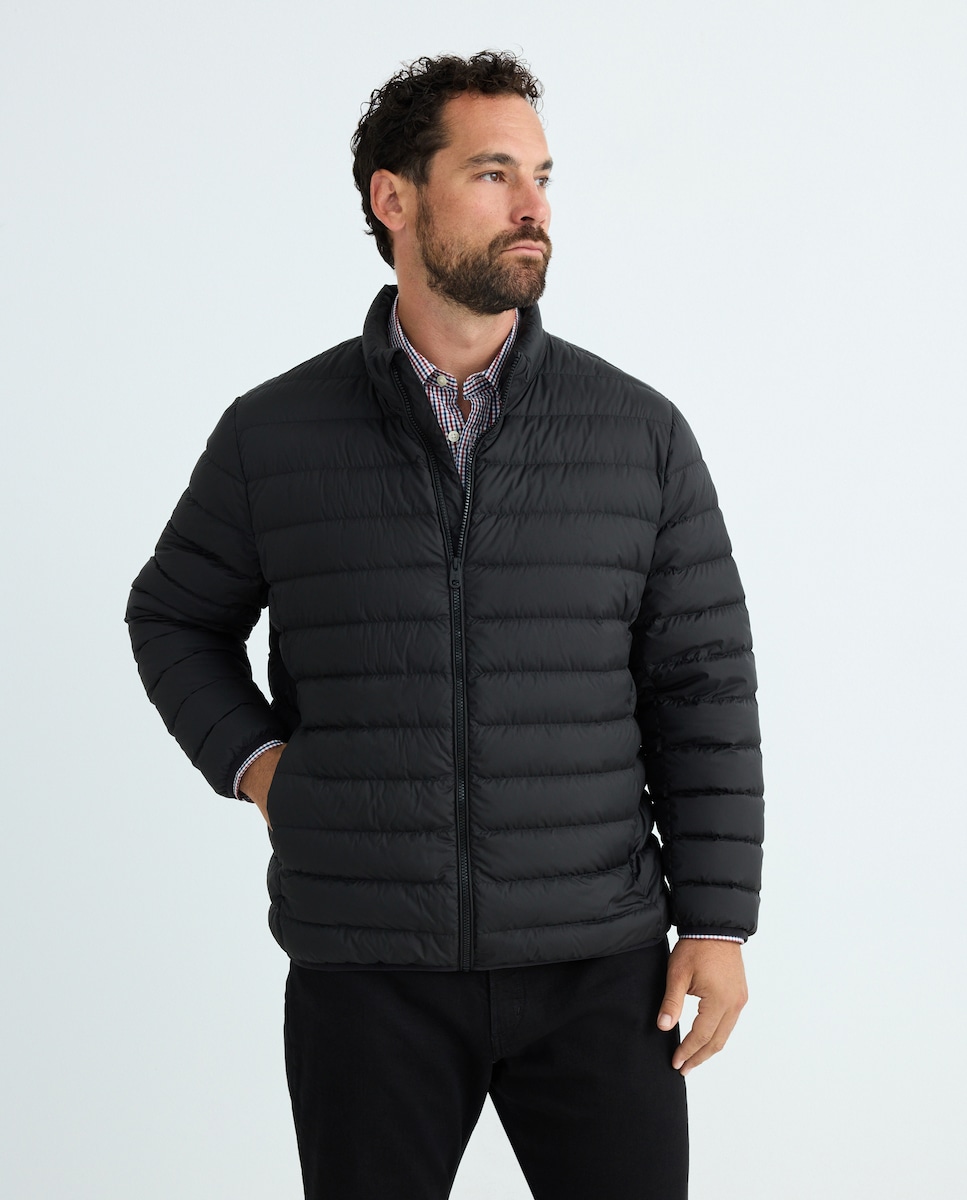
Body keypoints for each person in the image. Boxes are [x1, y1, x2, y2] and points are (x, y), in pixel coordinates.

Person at [126, 50, 764, 1200]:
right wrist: (263, 766)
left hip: (597, 965)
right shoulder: (275, 435)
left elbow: (703, 686)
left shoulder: (635, 435)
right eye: (491, 173)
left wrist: (716, 924)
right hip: (366, 967)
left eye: (541, 176)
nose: (533, 207)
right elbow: (174, 616)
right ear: (394, 198)